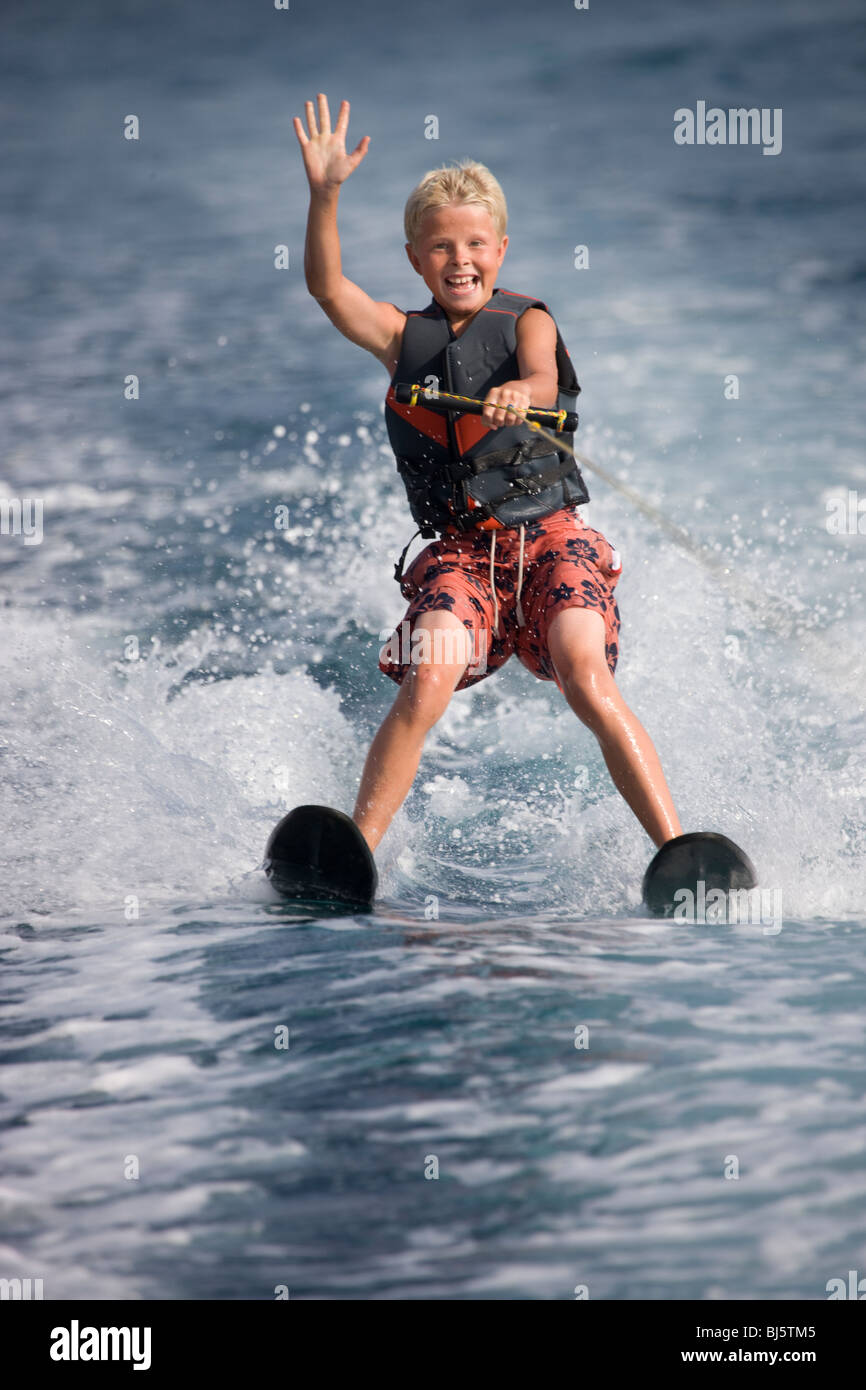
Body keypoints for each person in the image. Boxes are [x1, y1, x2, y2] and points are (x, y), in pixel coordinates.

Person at [294, 93, 683, 856]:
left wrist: (521, 394)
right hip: (463, 557)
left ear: (500, 250)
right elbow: (327, 291)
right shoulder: (401, 337)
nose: (459, 259)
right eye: (440, 247)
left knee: (583, 671)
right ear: (415, 258)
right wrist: (325, 195)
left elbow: (541, 378)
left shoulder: (528, 321)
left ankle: (677, 850)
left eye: (475, 243)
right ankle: (356, 854)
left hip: (548, 542)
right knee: (428, 678)